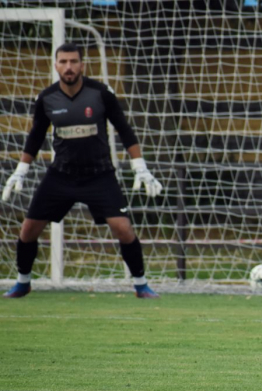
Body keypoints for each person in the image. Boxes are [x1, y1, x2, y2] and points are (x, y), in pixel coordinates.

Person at [2, 43, 161, 299]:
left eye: (73, 62)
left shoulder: (101, 94)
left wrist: (139, 166)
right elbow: (35, 136)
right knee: (28, 229)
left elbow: (124, 128)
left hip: (99, 174)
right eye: (63, 62)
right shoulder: (47, 98)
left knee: (123, 229)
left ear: (82, 65)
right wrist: (21, 170)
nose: (68, 67)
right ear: (56, 65)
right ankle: (23, 282)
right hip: (61, 174)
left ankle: (141, 285)